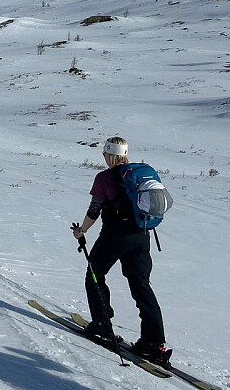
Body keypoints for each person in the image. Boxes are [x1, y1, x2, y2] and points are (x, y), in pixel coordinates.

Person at [71, 137, 170, 365]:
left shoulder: (104, 178)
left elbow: (94, 210)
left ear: (107, 155)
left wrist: (81, 231)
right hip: (141, 236)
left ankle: (102, 325)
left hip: (114, 237)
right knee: (141, 286)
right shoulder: (139, 174)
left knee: (94, 275)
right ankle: (154, 343)